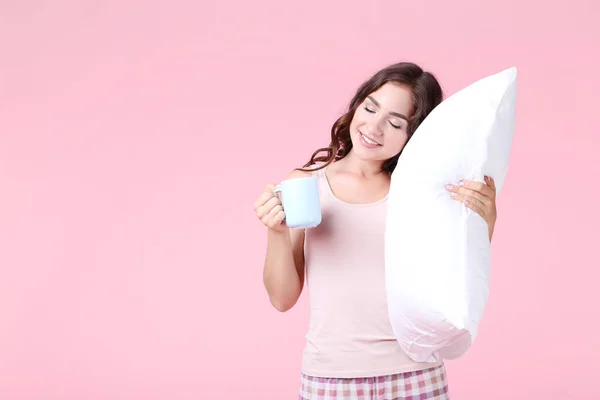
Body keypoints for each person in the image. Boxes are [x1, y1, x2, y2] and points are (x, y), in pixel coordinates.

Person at [252, 62, 498, 400]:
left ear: (415, 135)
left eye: (395, 123)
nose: (374, 127)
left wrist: (485, 224)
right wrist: (276, 232)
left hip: (417, 373)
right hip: (331, 377)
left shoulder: (421, 193)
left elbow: (452, 281)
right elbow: (282, 299)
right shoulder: (306, 185)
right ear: (357, 104)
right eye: (370, 108)